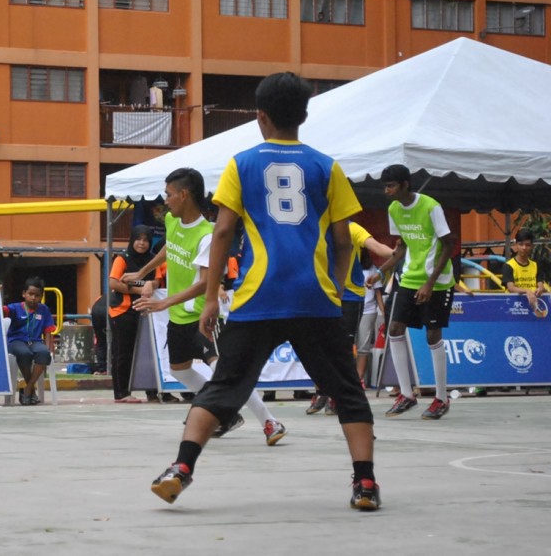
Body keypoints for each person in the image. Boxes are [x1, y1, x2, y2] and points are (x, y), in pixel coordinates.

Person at [150, 72, 378, 510]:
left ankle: (182, 468)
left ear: (261, 116)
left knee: (222, 387)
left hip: (260, 296)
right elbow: (345, 239)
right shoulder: (327, 166)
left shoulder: (242, 163)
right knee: (347, 390)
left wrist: (212, 296)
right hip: (315, 297)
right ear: (305, 115)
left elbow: (222, 234)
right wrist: (334, 284)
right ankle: (365, 483)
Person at [128, 168, 286, 444]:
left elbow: (204, 283)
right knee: (179, 370)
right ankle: (226, 413)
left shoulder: (207, 235)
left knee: (224, 371)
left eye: (169, 194)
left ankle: (270, 422)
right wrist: (144, 273)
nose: (165, 200)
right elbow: (169, 246)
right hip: (178, 317)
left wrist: (163, 301)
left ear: (184, 195)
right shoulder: (171, 220)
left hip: (201, 315)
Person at [375, 163, 455, 420]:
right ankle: (407, 395)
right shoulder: (394, 209)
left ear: (405, 185)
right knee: (395, 329)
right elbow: (401, 247)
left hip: (438, 281)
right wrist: (382, 271)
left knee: (433, 335)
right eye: (385, 186)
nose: (387, 191)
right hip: (409, 279)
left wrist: (430, 284)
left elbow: (448, 245)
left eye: (391, 186)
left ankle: (441, 399)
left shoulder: (431, 207)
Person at [306, 223, 392, 415]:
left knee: (343, 346)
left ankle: (338, 395)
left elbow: (376, 247)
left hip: (350, 295)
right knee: (319, 345)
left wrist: (395, 253)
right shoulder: (314, 224)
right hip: (323, 292)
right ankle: (321, 390)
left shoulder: (351, 228)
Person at [108, 225, 158, 403]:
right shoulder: (122, 259)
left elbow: (157, 281)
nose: (142, 243)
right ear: (132, 240)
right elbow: (113, 283)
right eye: (138, 239)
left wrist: (150, 285)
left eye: (145, 240)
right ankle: (121, 393)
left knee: (149, 353)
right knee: (123, 353)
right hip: (122, 311)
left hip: (145, 311)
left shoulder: (153, 260)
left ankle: (152, 391)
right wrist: (139, 290)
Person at [4, 276, 56, 405]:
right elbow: (3, 310)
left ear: (41, 296)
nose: (33, 298)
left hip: (35, 342)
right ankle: (31, 390)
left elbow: (48, 330)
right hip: (16, 341)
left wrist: (49, 348)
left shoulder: (44, 309)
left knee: (43, 353)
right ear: (24, 294)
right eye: (30, 294)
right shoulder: (15, 307)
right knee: (24, 353)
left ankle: (27, 389)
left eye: (37, 295)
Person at [502, 228, 547, 313]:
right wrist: (527, 291)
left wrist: (540, 289)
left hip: (534, 306)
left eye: (527, 245)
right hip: (514, 308)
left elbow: (540, 284)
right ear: (516, 245)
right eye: (521, 244)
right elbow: (511, 288)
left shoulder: (536, 265)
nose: (524, 247)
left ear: (532, 246)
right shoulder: (508, 265)